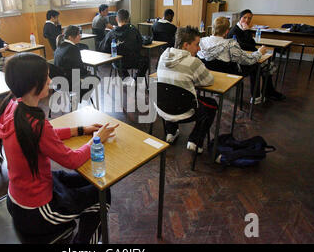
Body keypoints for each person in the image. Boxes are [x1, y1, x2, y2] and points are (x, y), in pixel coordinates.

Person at [0, 53, 118, 244]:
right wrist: (96, 140)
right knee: (101, 197)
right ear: (33, 84)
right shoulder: (35, 123)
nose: (50, 81)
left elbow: (46, 133)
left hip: (20, 196)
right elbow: (72, 160)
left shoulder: (12, 106)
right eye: (46, 77)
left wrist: (80, 130)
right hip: (36, 212)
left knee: (96, 183)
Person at [157, 26, 218, 155]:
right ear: (186, 45)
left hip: (162, 108)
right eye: (196, 45)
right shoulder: (193, 62)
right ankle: (195, 140)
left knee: (171, 93)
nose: (199, 49)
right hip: (185, 112)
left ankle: (171, 132)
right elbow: (208, 81)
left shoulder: (163, 56)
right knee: (211, 104)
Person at [226, 11, 286, 101]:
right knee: (264, 66)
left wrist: (247, 31)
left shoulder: (245, 29)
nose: (247, 20)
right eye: (245, 17)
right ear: (240, 18)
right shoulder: (235, 30)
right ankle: (267, 92)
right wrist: (247, 31)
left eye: (249, 18)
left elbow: (252, 43)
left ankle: (268, 91)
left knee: (268, 65)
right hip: (240, 59)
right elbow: (244, 46)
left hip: (248, 55)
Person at [99, 9, 148, 83]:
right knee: (146, 61)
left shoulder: (111, 34)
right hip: (134, 60)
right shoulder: (134, 30)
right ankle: (136, 79)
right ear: (128, 19)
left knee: (118, 62)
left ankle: (126, 79)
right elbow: (140, 44)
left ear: (116, 19)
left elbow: (103, 49)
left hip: (118, 63)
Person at [54, 25, 98, 101]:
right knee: (95, 78)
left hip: (58, 82)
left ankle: (77, 98)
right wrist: (87, 72)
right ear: (70, 37)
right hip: (69, 83)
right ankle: (79, 97)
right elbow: (79, 69)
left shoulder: (59, 46)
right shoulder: (73, 49)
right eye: (78, 34)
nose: (80, 36)